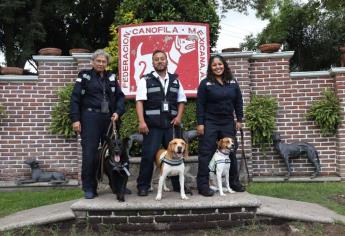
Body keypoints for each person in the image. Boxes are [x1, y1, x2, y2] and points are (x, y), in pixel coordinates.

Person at [70, 49, 125, 199]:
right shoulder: (84, 76)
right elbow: (75, 98)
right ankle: (89, 187)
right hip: (90, 118)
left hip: (109, 118)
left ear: (107, 63)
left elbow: (120, 97)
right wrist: (75, 119)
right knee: (90, 154)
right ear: (92, 62)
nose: (101, 64)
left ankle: (117, 186)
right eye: (98, 61)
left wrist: (118, 112)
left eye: (104, 61)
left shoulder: (112, 77)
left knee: (115, 153)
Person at [136, 49, 187, 196]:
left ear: (167, 61)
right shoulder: (145, 80)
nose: (159, 61)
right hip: (152, 126)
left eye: (162, 59)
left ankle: (178, 187)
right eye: (156, 59)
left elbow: (181, 100)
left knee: (177, 155)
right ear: (152, 63)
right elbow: (139, 101)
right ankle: (143, 186)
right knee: (148, 156)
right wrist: (141, 122)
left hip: (170, 125)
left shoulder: (175, 80)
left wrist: (179, 117)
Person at [196, 54, 245, 197]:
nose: (218, 67)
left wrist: (239, 119)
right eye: (214, 65)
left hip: (227, 122)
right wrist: (200, 123)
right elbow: (200, 105)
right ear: (211, 68)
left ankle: (234, 183)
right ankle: (203, 186)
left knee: (231, 152)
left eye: (220, 64)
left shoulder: (233, 82)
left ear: (224, 65)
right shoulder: (205, 83)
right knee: (206, 153)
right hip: (210, 122)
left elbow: (238, 101)